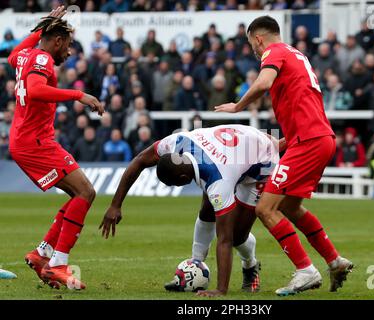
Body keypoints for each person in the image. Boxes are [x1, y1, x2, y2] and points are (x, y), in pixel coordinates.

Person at [215, 15, 353, 296]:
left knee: (265, 209)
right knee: (290, 208)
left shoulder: (274, 52)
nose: (254, 51)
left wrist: (238, 106)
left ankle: (305, 270)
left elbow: (264, 83)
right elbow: (305, 112)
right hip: (318, 138)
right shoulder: (296, 55)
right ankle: (335, 260)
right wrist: (278, 145)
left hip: (309, 143)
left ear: (258, 38)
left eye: (252, 44)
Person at [100, 125, 285, 295]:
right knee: (206, 212)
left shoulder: (218, 181)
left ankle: (250, 266)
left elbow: (224, 239)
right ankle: (195, 264)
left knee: (236, 236)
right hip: (236, 147)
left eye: (174, 184)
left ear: (182, 177)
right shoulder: (174, 143)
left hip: (262, 163)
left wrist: (221, 290)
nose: (176, 187)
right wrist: (115, 204)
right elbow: (140, 160)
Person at [7, 7, 104, 290]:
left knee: (79, 194)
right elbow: (36, 90)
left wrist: (44, 25)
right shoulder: (43, 58)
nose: (70, 52)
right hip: (34, 143)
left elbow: (15, 54)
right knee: (86, 192)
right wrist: (80, 95)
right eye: (69, 45)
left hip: (27, 140)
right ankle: (58, 264)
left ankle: (42, 255)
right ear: (58, 41)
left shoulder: (25, 55)